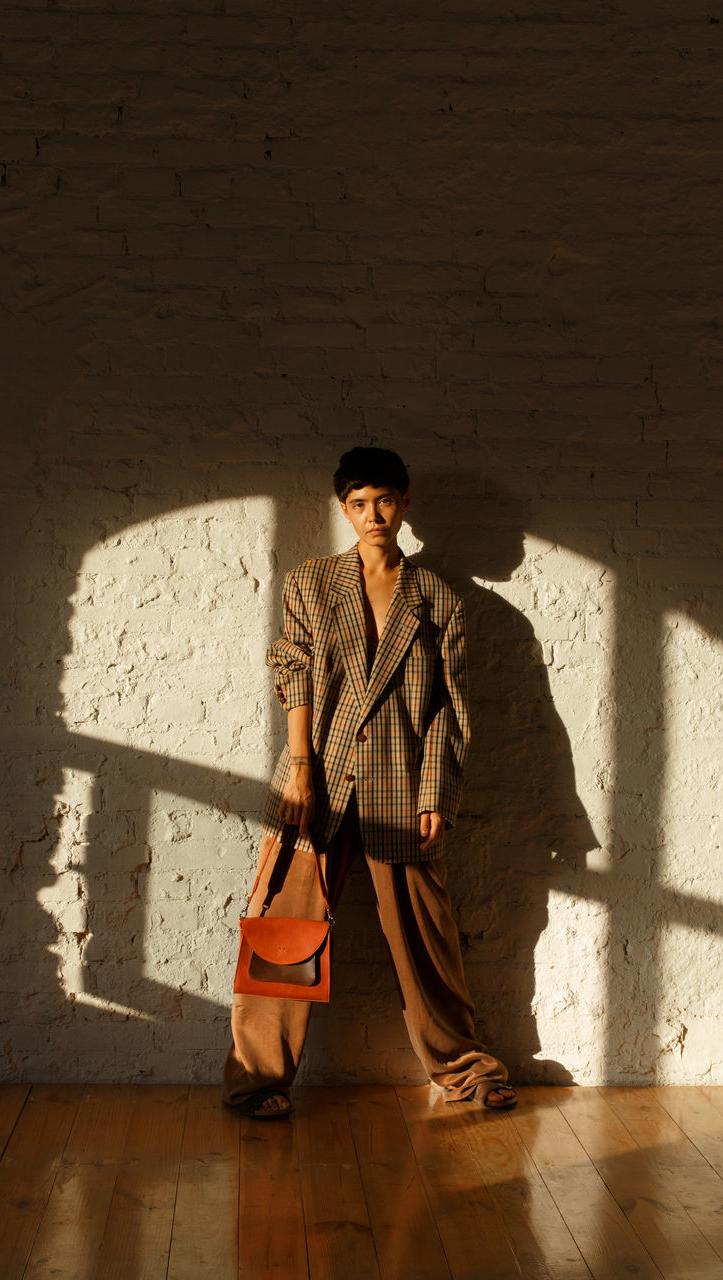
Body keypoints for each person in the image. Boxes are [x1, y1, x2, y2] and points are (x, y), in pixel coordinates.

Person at [222, 447, 515, 1118]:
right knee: (282, 932)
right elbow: (293, 670)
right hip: (316, 782)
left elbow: (448, 710)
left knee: (425, 942)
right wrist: (300, 767)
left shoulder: (437, 598)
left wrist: (436, 794)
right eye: (358, 504)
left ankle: (465, 1070)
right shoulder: (311, 581)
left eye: (384, 500)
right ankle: (256, 1080)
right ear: (344, 509)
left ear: (404, 504)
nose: (373, 515)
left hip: (401, 789)